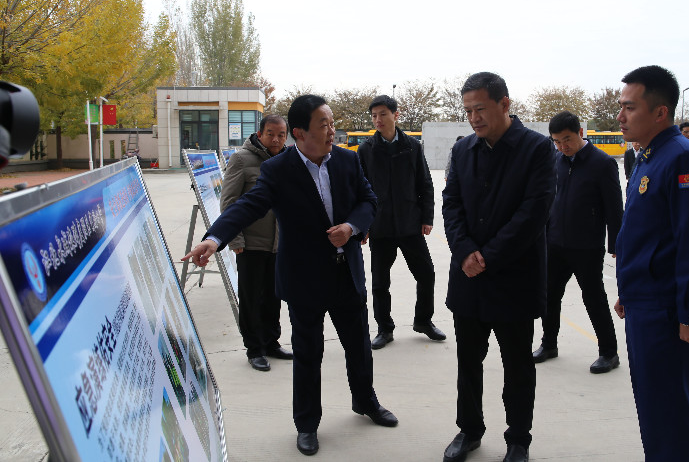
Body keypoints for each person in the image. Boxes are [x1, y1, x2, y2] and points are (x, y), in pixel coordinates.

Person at [183, 95, 398, 457]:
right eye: (323, 125)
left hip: (347, 274)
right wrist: (214, 238)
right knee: (308, 354)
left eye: (332, 123)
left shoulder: (347, 160)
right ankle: (307, 424)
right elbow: (248, 206)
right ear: (300, 133)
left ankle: (366, 401)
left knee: (359, 347)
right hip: (304, 279)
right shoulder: (278, 170)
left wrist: (351, 226)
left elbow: (369, 200)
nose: (331, 131)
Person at [442, 72, 555, 462]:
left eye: (480, 109)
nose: (473, 118)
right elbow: (451, 204)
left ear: (505, 104)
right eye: (468, 111)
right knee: (468, 363)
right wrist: (464, 251)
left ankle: (518, 439)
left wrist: (487, 256)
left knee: (517, 365)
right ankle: (469, 430)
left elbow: (534, 213)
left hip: (514, 278)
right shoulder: (462, 150)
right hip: (468, 278)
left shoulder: (537, 149)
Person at [613, 65, 689, 461]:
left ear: (660, 112)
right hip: (644, 301)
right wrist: (628, 290)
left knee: (669, 410)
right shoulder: (648, 156)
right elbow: (643, 234)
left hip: (668, 310)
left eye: (629, 107)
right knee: (653, 407)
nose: (620, 116)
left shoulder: (684, 159)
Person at [532, 111, 622, 374]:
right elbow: (548, 200)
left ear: (580, 132)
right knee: (549, 296)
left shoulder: (602, 163)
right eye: (557, 141)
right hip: (555, 243)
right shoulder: (556, 160)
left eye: (567, 140)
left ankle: (609, 352)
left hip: (587, 245)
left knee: (594, 298)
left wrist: (617, 245)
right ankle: (549, 344)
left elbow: (614, 208)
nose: (563, 146)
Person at [357, 94, 444, 350]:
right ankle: (384, 328)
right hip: (380, 226)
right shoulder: (366, 150)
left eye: (383, 114)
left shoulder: (412, 146)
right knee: (380, 282)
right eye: (374, 115)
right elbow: (359, 190)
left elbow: (425, 184)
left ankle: (423, 321)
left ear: (396, 115)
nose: (378, 119)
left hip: (409, 224)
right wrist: (363, 224)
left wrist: (426, 217)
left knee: (426, 274)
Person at [219, 114, 293, 372]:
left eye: (281, 135)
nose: (276, 139)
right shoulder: (241, 159)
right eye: (271, 133)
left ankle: (271, 342)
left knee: (274, 296)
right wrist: (235, 238)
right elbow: (229, 201)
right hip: (250, 243)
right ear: (259, 134)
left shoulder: (287, 159)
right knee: (251, 298)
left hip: (278, 243)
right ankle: (254, 349)